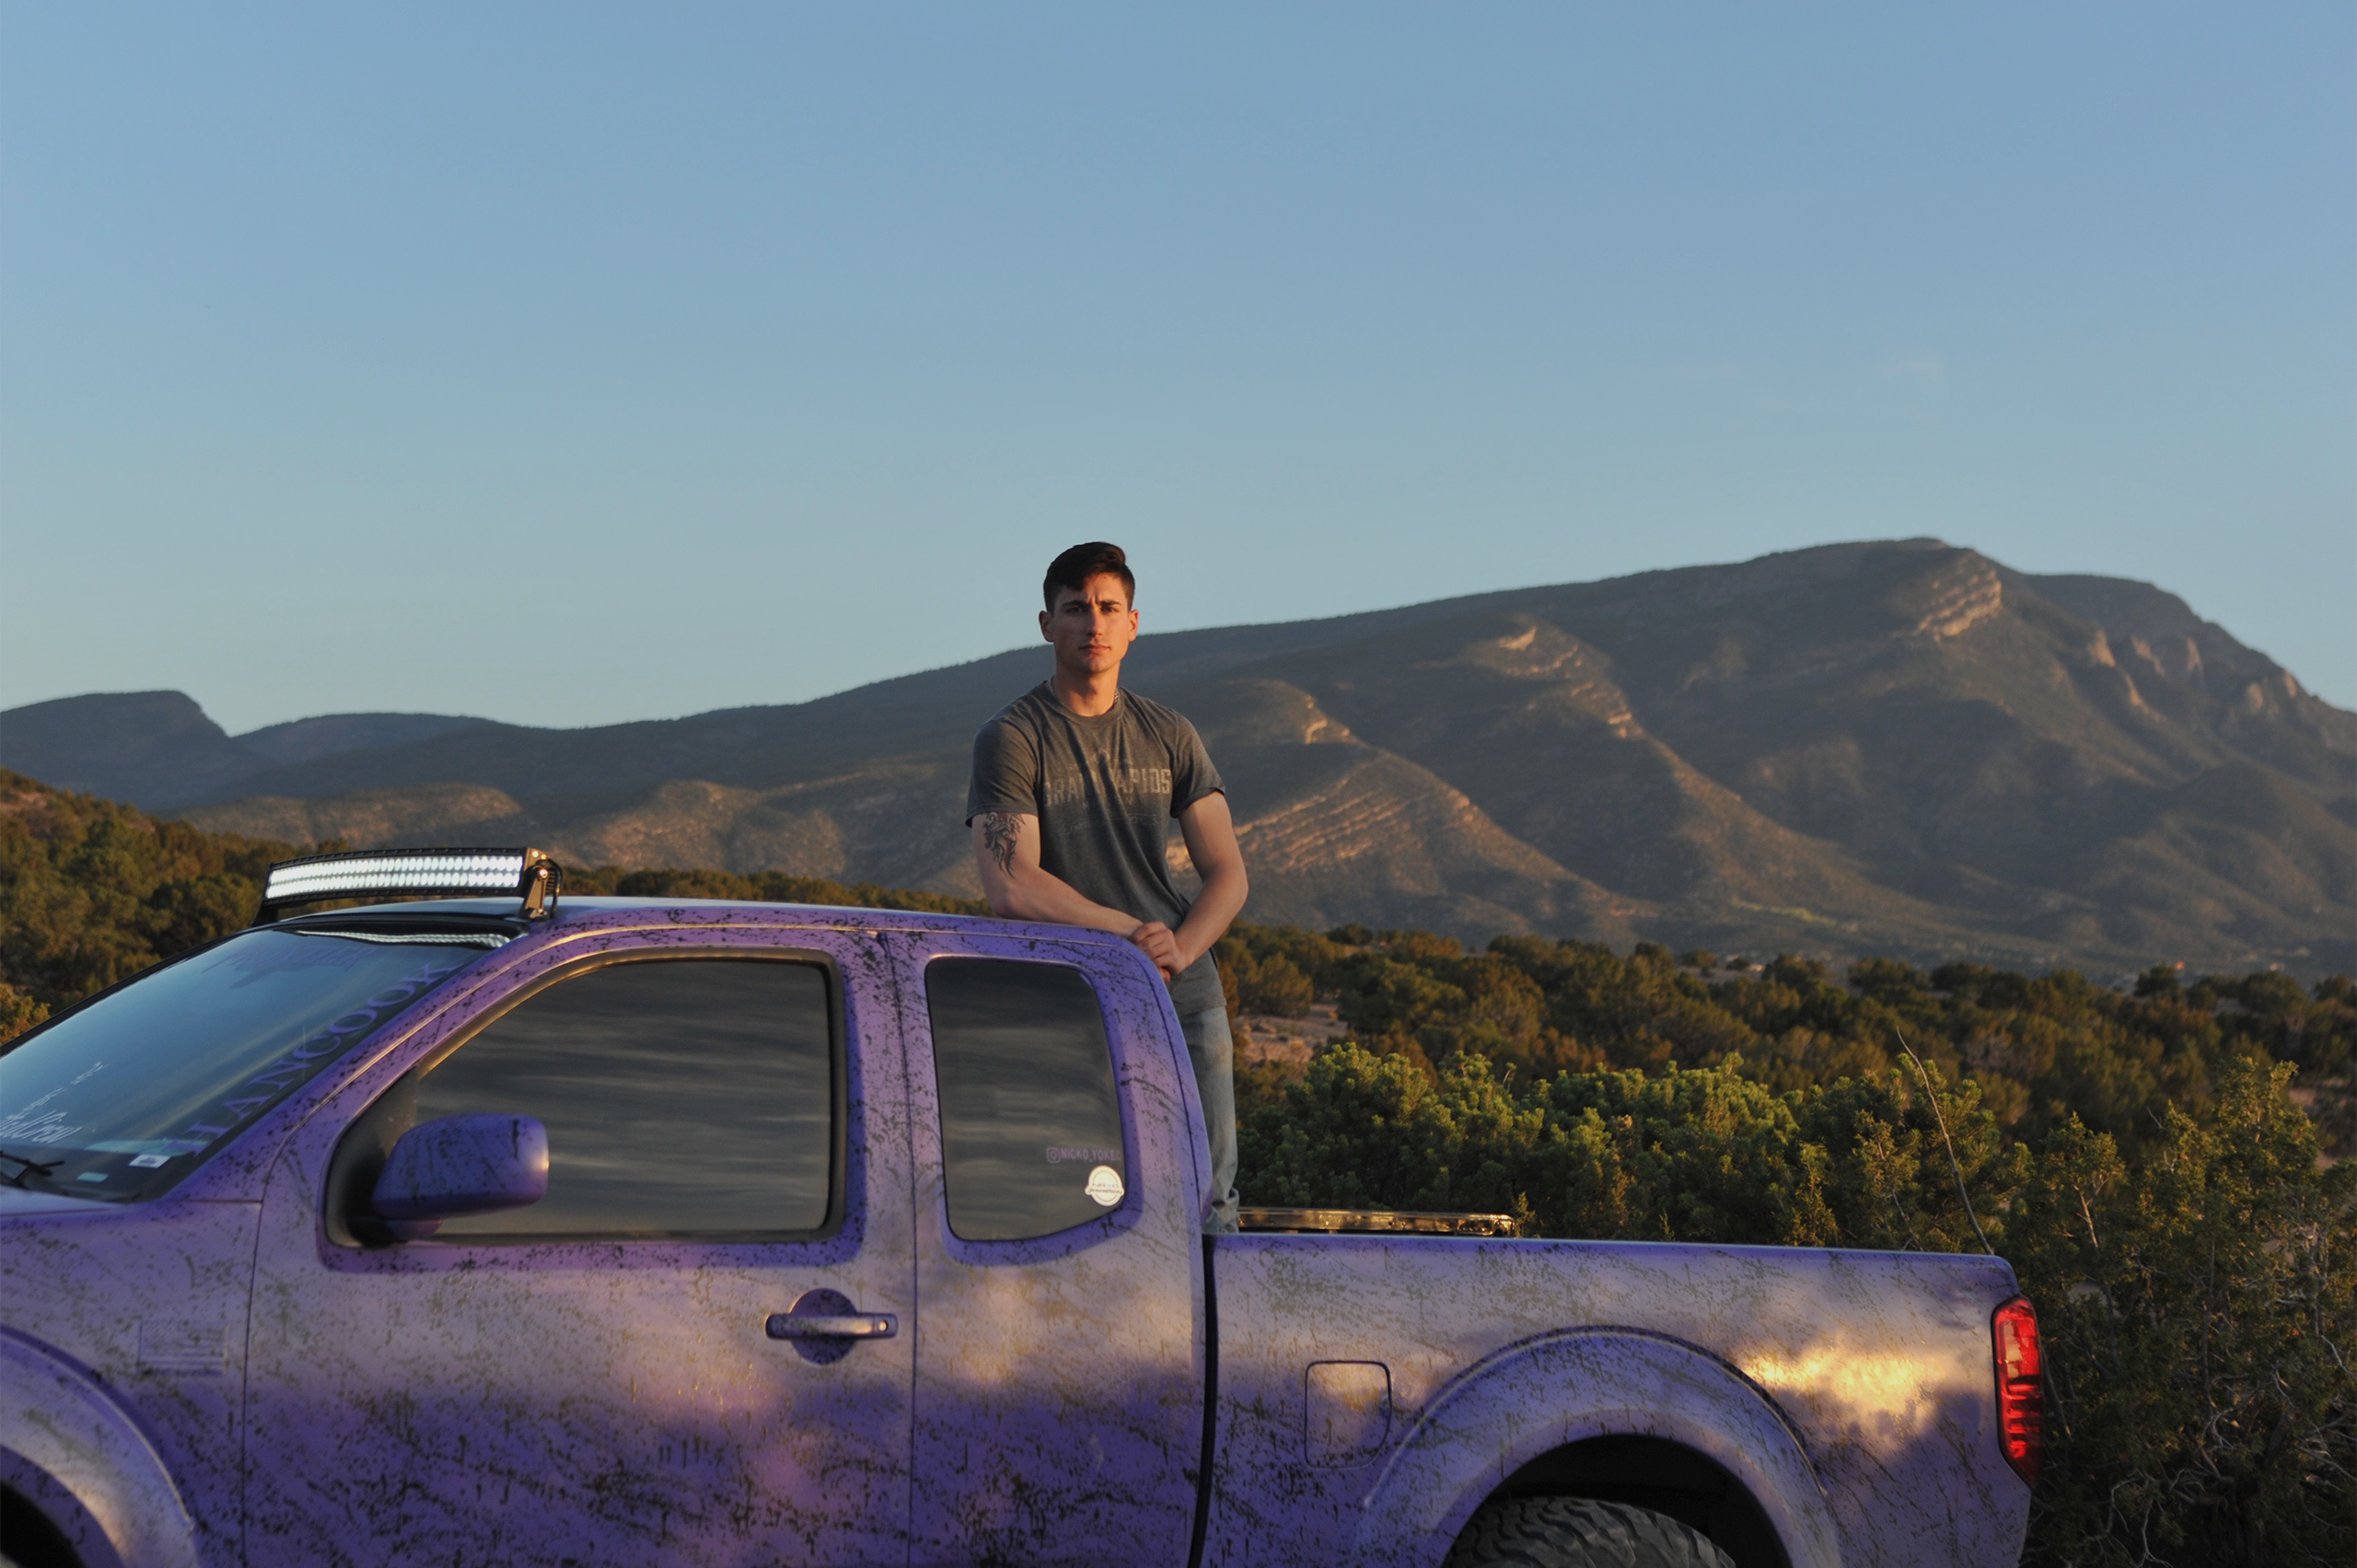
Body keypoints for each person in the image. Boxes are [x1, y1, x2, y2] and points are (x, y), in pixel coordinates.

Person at [966, 541, 1249, 1233]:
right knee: (1075, 1195)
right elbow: (1012, 884)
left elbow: (1229, 874)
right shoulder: (1013, 737)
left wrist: (1178, 950)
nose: (1093, 623)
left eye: (1108, 608)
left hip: (1182, 996)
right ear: (1045, 624)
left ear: (1132, 623)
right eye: (1075, 608)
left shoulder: (1169, 734)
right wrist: (1128, 934)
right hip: (1068, 995)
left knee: (1209, 1200)